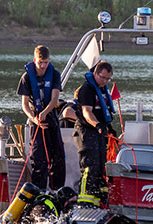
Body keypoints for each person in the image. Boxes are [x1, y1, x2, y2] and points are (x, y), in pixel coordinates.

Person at [17, 45, 66, 190]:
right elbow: (25, 104)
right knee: (39, 160)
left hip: (51, 119)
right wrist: (34, 118)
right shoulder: (26, 77)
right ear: (35, 60)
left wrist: (45, 112)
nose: (43, 66)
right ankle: (38, 192)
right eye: (40, 62)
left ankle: (57, 190)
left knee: (58, 158)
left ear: (49, 61)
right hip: (35, 121)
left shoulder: (55, 75)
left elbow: (55, 98)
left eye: (46, 63)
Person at [73, 60, 116, 207]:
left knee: (100, 165)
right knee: (89, 166)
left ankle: (99, 200)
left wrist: (108, 127)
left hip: (99, 132)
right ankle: (84, 201)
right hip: (86, 130)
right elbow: (87, 112)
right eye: (102, 78)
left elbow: (103, 111)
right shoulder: (88, 89)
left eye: (107, 79)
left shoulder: (103, 89)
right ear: (96, 74)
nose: (104, 81)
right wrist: (97, 125)